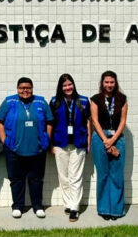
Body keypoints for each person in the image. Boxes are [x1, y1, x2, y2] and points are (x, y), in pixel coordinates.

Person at [0, 77, 54, 218]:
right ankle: (17, 206)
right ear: (17, 89)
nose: (25, 90)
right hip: (13, 149)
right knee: (16, 179)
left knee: (36, 179)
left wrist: (46, 139)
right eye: (22, 88)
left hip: (37, 149)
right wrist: (4, 140)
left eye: (28, 88)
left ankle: (38, 206)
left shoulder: (41, 101)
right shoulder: (9, 101)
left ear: (32, 89)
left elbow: (49, 122)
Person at [49, 74, 90, 222]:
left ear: (74, 84)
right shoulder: (54, 101)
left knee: (75, 177)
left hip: (79, 143)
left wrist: (88, 141)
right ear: (61, 87)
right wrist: (51, 144)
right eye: (65, 85)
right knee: (63, 176)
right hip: (60, 143)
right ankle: (68, 204)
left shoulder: (83, 101)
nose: (68, 87)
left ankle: (74, 208)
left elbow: (88, 122)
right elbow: (50, 123)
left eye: (70, 84)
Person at [89, 70, 129, 220]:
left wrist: (113, 140)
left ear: (115, 83)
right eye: (106, 82)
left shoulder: (122, 99)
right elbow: (95, 121)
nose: (109, 85)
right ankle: (104, 209)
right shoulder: (95, 99)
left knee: (117, 175)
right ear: (102, 83)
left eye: (112, 82)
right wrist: (106, 139)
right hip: (100, 138)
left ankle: (116, 210)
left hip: (117, 138)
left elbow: (123, 122)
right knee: (103, 174)